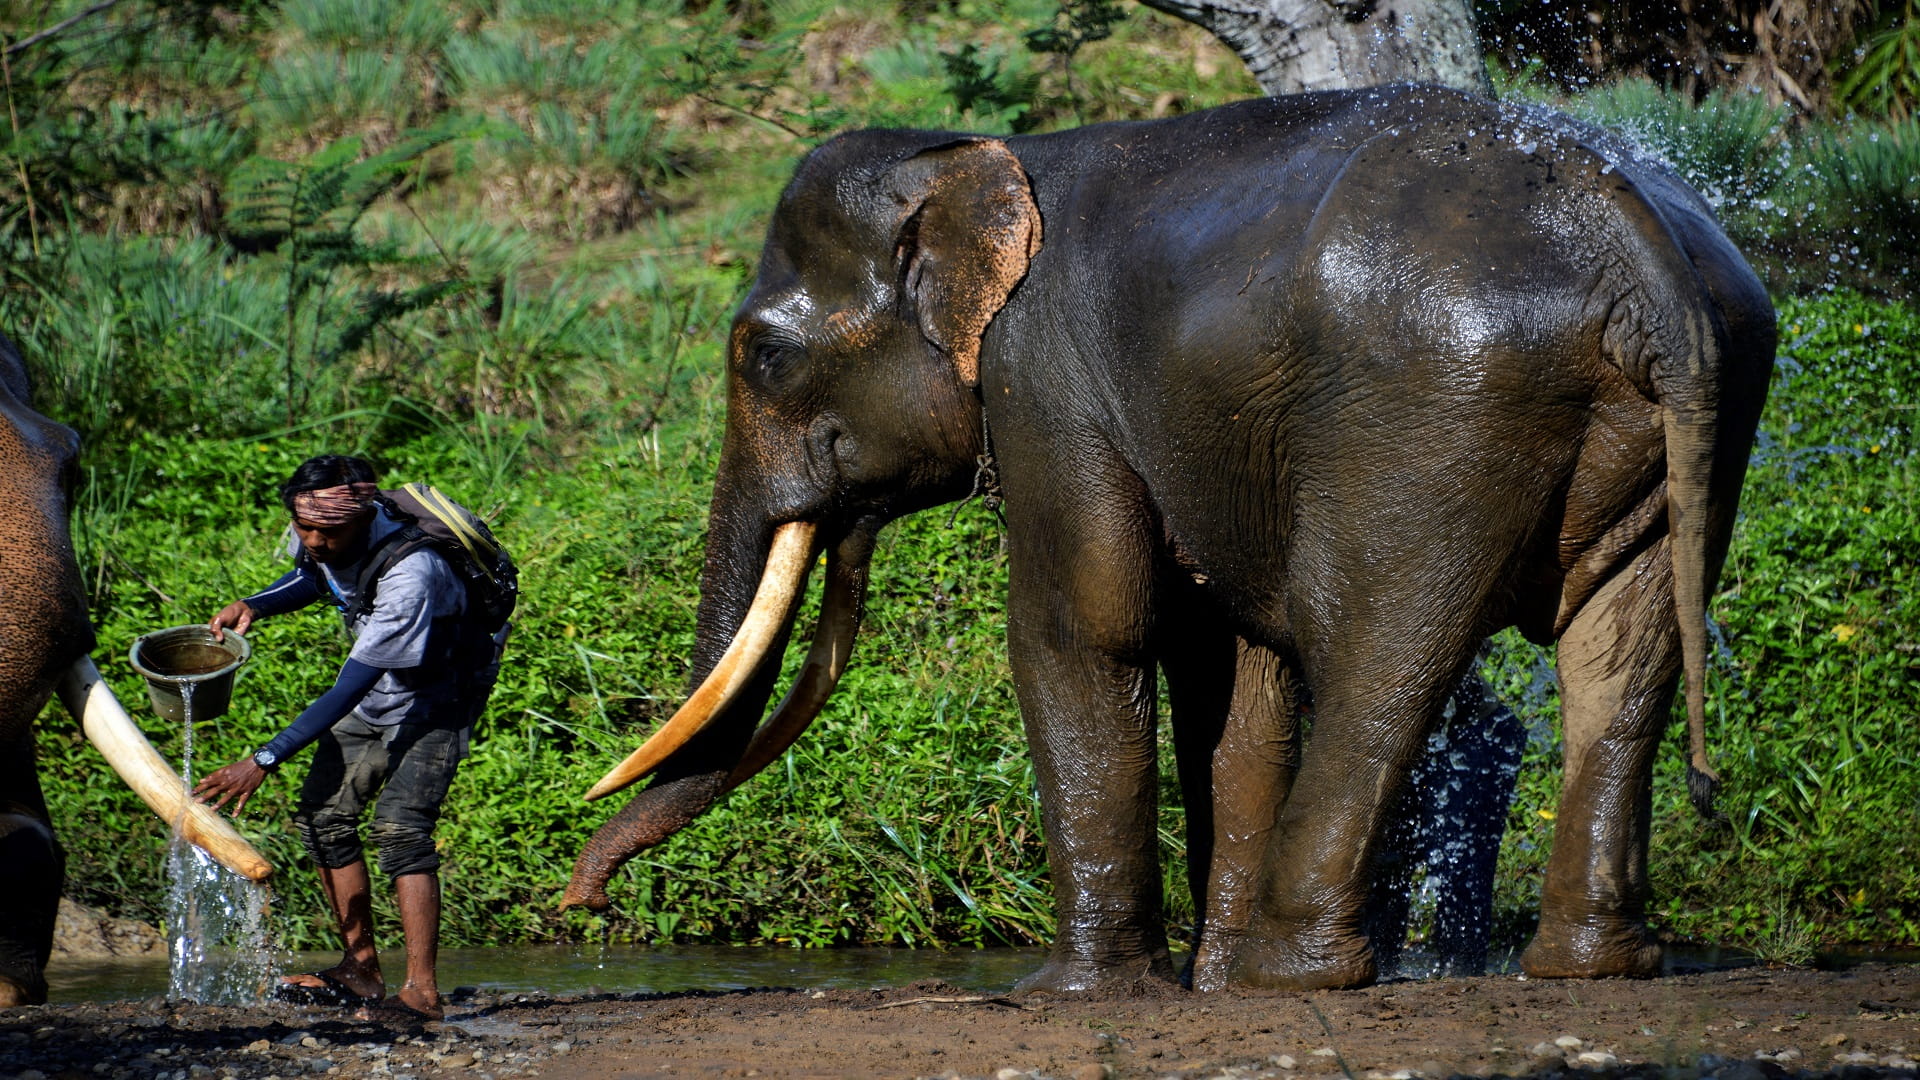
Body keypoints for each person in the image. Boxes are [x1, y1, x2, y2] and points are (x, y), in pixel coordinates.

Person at [194, 454, 505, 1022]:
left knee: (402, 829)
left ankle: (421, 991)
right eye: (303, 527)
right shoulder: (321, 532)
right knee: (321, 816)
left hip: (439, 699)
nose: (313, 539)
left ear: (365, 519)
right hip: (383, 688)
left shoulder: (415, 572)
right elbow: (311, 578)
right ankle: (359, 971)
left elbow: (346, 689)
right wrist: (255, 604)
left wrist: (266, 757)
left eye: (327, 531)